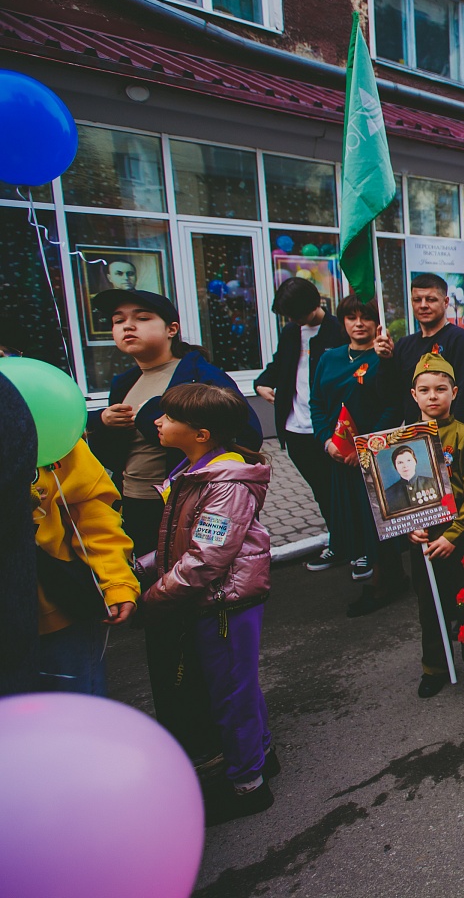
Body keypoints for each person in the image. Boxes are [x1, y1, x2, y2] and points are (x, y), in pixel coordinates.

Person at [138, 383, 276, 824]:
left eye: (168, 417)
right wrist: (141, 566)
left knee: (229, 694)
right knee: (238, 684)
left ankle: (247, 785)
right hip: (217, 599)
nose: (158, 422)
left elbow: (206, 558)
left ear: (200, 433)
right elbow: (184, 544)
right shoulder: (197, 469)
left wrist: (154, 597)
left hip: (225, 604)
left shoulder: (226, 481)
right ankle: (260, 753)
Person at [86, 289, 263, 557]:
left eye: (142, 318)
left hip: (185, 504)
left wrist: (152, 417)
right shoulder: (123, 382)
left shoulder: (200, 376)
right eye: (118, 321)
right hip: (132, 501)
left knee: (189, 578)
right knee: (146, 574)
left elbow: (247, 434)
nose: (128, 326)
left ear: (172, 329)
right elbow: (117, 452)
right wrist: (102, 421)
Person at [405, 353, 464, 697]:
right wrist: (409, 527)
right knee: (430, 608)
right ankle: (435, 666)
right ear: (414, 394)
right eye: (425, 390)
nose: (433, 396)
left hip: (461, 538)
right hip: (424, 539)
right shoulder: (402, 440)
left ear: (454, 392)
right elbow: (398, 497)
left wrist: (454, 535)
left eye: (441, 389)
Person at [254, 277, 347, 572]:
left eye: (296, 314)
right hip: (296, 428)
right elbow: (280, 363)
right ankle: (338, 542)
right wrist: (262, 383)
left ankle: (355, 544)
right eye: (288, 317)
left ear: (314, 305)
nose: (293, 321)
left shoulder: (338, 330)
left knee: (342, 490)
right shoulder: (291, 332)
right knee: (321, 490)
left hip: (331, 428)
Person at [310, 296, 399, 601]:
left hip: (372, 455)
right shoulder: (329, 358)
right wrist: (327, 442)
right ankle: (362, 559)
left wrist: (364, 447)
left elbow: (392, 405)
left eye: (365, 317)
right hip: (338, 454)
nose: (358, 324)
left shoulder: (384, 358)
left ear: (377, 323)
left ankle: (384, 580)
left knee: (377, 519)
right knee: (350, 515)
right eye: (351, 317)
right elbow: (317, 403)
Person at [34, 439, 138, 695]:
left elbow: (94, 515)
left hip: (57, 614)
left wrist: (116, 582)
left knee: (75, 724)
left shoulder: (48, 424)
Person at [382, 273, 464, 427]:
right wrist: (386, 360)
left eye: (431, 299)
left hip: (451, 439)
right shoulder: (404, 345)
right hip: (415, 437)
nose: (423, 305)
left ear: (445, 302)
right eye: (417, 300)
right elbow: (392, 396)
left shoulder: (461, 341)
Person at [383, 445, 442, 511]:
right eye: (400, 462)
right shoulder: (388, 494)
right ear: (395, 466)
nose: (405, 465)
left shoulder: (434, 483)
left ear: (415, 462)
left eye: (409, 460)